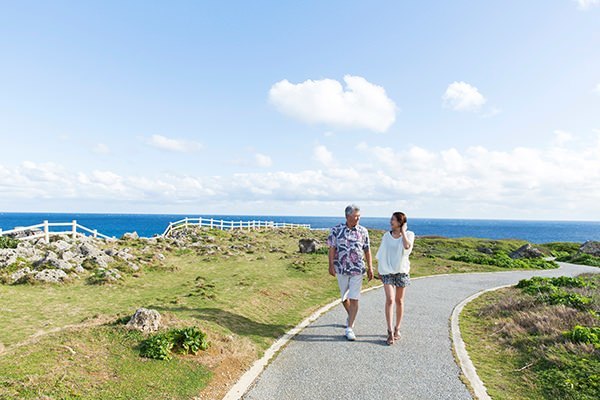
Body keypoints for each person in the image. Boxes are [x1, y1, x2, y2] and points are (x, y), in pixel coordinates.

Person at [327, 204, 373, 341]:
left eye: (359, 216)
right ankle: (351, 315)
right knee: (344, 298)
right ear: (347, 216)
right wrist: (330, 265)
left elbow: (367, 249)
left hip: (357, 269)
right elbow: (332, 248)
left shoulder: (363, 231)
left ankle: (350, 327)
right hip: (341, 268)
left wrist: (370, 267)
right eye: (355, 216)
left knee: (354, 298)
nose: (358, 219)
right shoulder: (336, 230)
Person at [376, 211, 414, 345]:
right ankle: (390, 331)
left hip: (401, 272)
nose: (390, 222)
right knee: (390, 299)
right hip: (387, 271)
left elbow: (407, 247)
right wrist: (379, 269)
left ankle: (398, 328)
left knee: (399, 301)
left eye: (393, 220)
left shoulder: (409, 235)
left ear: (400, 222)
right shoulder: (387, 236)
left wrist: (403, 232)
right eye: (391, 219)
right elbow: (381, 253)